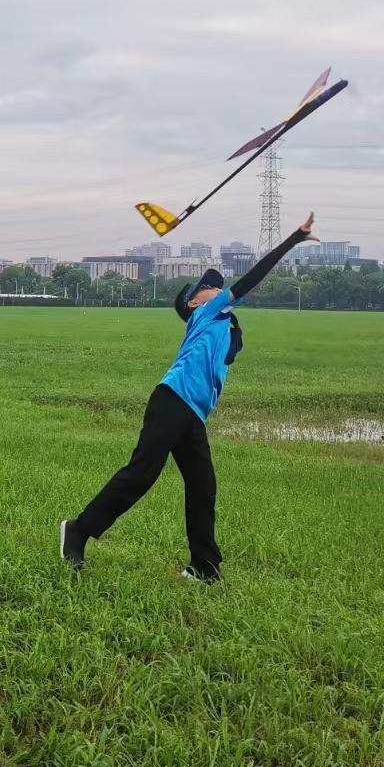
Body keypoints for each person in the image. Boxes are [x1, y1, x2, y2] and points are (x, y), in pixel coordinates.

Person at [60, 212, 318, 581]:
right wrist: (294, 238)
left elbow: (231, 340)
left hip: (192, 415)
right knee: (143, 473)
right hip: (172, 399)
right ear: (196, 303)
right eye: (209, 288)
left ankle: (204, 568)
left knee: (202, 486)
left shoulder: (224, 322)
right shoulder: (207, 313)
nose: (216, 289)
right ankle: (78, 531)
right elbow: (253, 278)